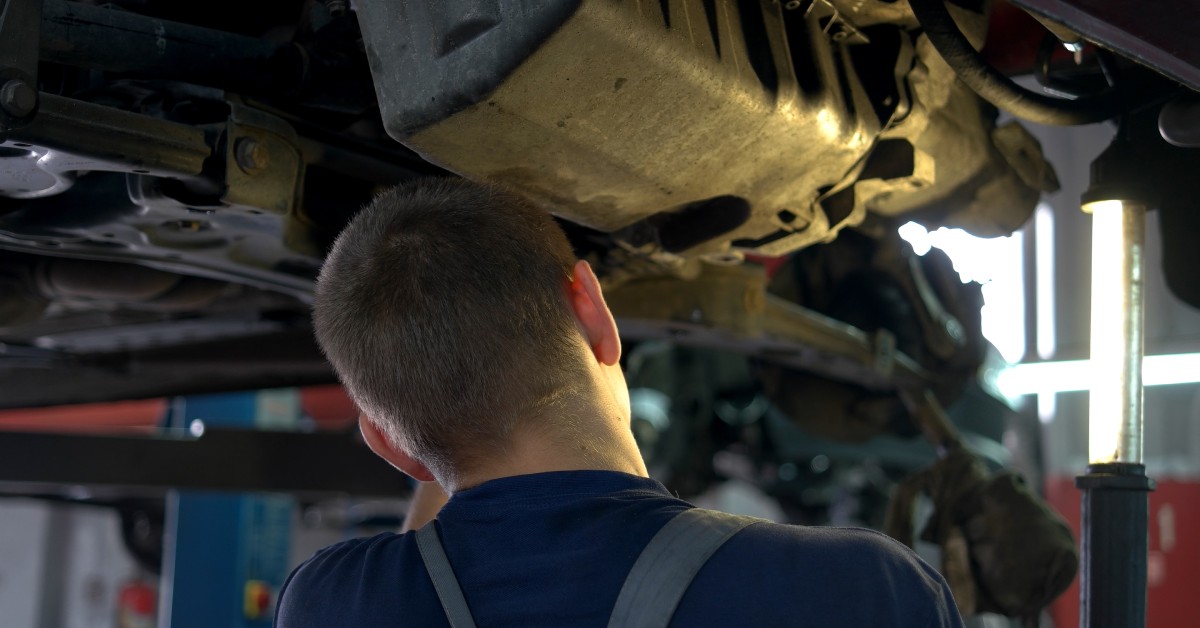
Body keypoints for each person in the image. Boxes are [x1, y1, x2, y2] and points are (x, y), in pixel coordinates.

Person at [276, 177, 964, 627]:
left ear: (388, 445)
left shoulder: (329, 605)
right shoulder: (864, 593)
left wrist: (432, 423)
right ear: (595, 311)